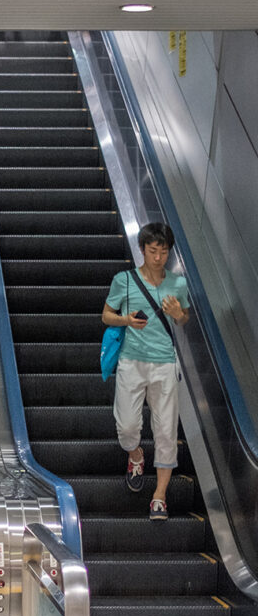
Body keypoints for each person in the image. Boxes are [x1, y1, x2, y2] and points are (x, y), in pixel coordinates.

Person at [102, 221, 190, 521]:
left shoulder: (177, 284)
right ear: (142, 250)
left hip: (165, 363)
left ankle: (159, 497)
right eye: (153, 251)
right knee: (127, 426)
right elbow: (106, 316)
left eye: (163, 252)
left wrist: (179, 314)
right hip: (132, 362)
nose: (158, 258)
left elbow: (183, 318)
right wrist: (126, 320)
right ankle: (136, 455)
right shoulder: (124, 281)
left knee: (166, 430)